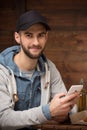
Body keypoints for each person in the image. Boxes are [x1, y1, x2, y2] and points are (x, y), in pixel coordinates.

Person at [0, 10, 80, 130]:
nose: (36, 42)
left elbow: (67, 110)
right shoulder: (2, 70)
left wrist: (63, 114)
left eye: (40, 35)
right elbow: (3, 119)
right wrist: (48, 112)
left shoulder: (49, 68)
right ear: (17, 37)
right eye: (29, 35)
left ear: (46, 37)